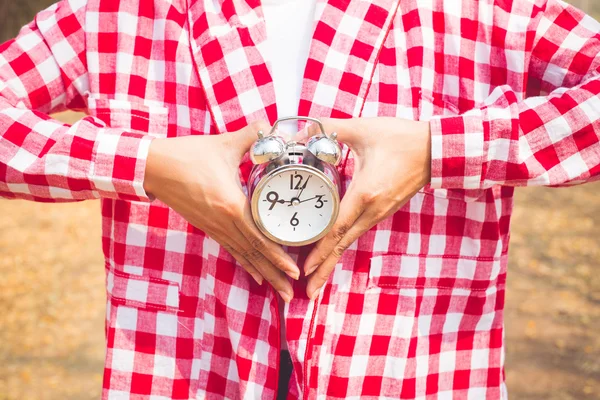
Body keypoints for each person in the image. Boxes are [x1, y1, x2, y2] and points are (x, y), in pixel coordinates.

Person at [1, 0, 599, 398]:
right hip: (182, 372)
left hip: (416, 371)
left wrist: (440, 149)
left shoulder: (483, 13)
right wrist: (148, 164)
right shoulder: (117, 15)